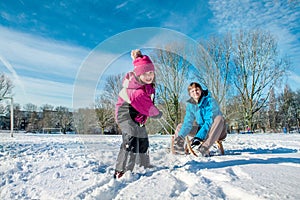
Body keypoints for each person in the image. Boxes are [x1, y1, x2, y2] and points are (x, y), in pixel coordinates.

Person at [114, 49, 162, 179]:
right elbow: (147, 106)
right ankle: (122, 170)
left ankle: (143, 164)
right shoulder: (136, 90)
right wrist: (156, 113)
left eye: (151, 72)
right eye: (145, 73)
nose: (149, 76)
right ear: (138, 75)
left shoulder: (149, 87)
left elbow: (147, 105)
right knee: (131, 139)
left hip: (138, 116)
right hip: (125, 115)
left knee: (143, 141)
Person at [173, 82, 227, 157]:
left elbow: (209, 120)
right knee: (180, 126)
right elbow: (187, 122)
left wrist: (199, 137)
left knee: (219, 118)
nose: (195, 92)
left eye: (197, 90)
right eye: (192, 91)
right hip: (202, 129)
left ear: (201, 90)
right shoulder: (191, 105)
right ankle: (178, 149)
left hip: (216, 130)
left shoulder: (210, 101)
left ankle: (204, 147)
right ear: (190, 94)